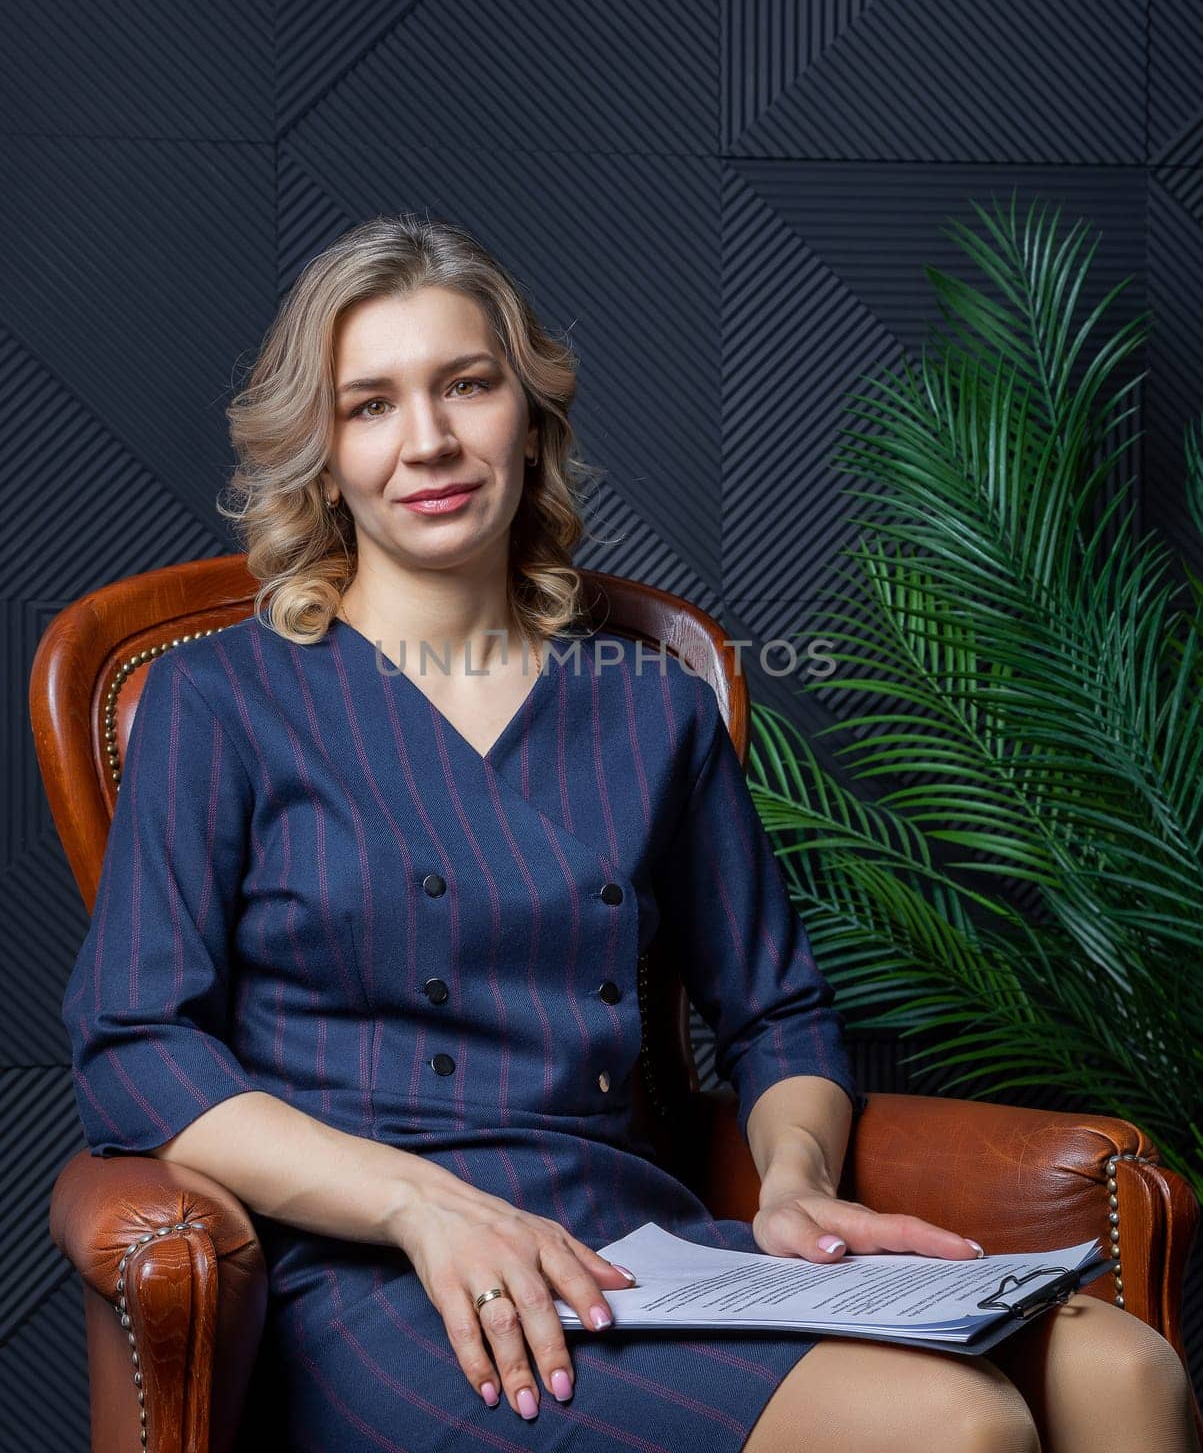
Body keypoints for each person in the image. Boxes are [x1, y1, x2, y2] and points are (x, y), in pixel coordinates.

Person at [61, 215, 1200, 1452]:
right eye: (371, 405)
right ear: (321, 454)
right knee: (954, 1422)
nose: (430, 439)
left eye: (467, 384)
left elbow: (779, 1020)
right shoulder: (219, 698)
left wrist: (801, 1185)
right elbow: (134, 1045)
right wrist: (417, 1203)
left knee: (1126, 1371)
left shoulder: (650, 707)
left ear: (529, 412)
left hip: (644, 1248)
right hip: (380, 1274)